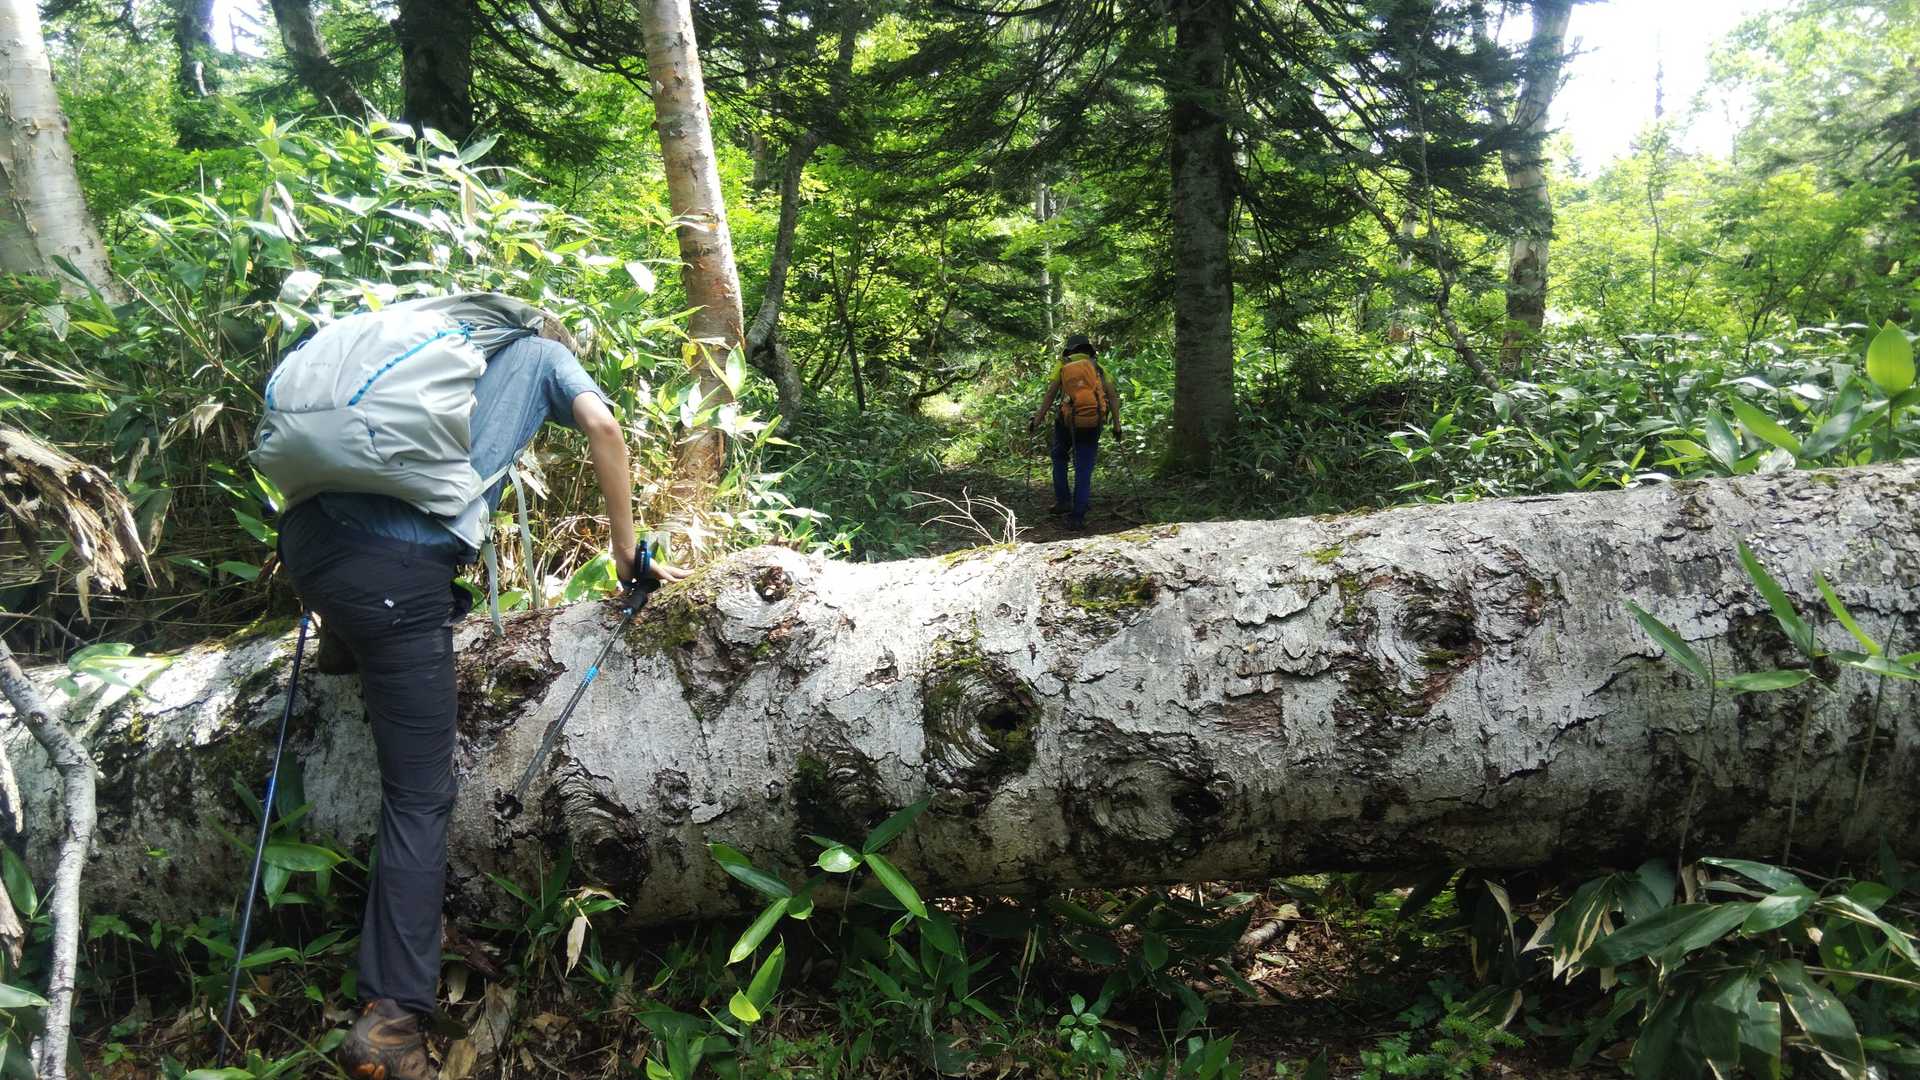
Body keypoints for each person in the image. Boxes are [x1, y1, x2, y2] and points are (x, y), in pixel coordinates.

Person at [271, 312, 682, 1080]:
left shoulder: (431, 347)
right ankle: (392, 1020)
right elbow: (604, 426)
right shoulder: (544, 354)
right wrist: (626, 552)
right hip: (391, 572)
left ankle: (347, 643)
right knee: (419, 796)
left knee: (378, 603)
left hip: (307, 544)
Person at [1029, 333, 1122, 530]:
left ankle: (1064, 501)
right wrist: (1117, 426)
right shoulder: (1098, 368)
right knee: (1084, 467)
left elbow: (1050, 394)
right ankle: (1078, 515)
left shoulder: (1063, 365)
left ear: (1070, 350)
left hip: (1067, 422)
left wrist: (1037, 420)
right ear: (1088, 350)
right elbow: (1112, 397)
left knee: (1059, 456)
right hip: (1092, 423)